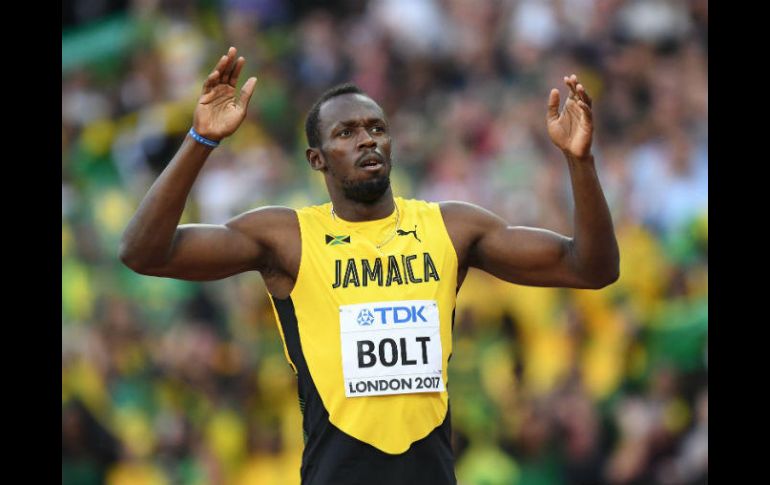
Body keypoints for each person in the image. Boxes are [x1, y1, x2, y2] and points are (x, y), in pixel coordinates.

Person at [120, 46, 619, 485]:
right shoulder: (287, 238)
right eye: (347, 132)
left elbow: (591, 268)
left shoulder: (451, 228)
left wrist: (580, 162)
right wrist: (200, 140)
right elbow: (143, 252)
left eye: (377, 128)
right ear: (317, 159)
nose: (367, 140)